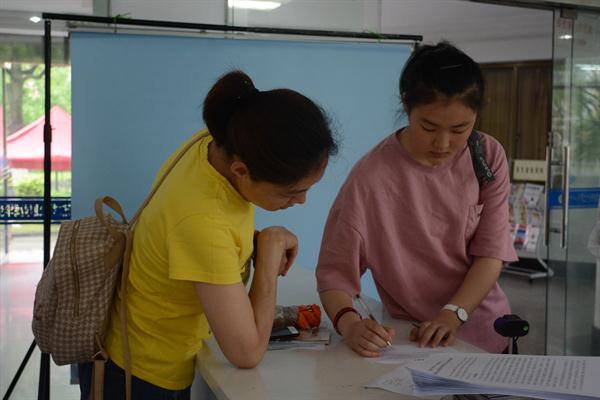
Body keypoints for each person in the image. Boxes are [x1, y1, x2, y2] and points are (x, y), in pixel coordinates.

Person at [79, 70, 337, 399]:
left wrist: (251, 242)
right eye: (291, 192)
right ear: (241, 170)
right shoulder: (202, 221)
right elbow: (246, 353)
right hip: (141, 374)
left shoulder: (214, 144)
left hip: (130, 343)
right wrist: (268, 260)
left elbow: (201, 228)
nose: (302, 201)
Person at [316, 42, 517, 357]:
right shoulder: (371, 178)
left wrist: (453, 313)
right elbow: (334, 275)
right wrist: (351, 325)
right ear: (406, 106)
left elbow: (491, 254)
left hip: (486, 334)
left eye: (460, 129)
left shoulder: (487, 156)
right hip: (414, 342)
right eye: (429, 127)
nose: (443, 144)